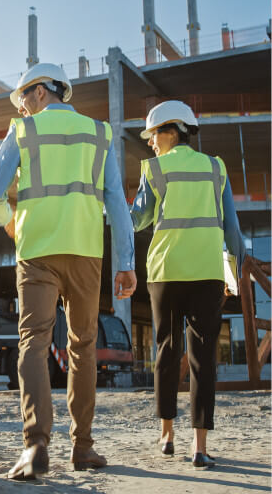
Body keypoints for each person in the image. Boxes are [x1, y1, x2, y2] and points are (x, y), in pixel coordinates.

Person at [0, 63, 137, 480]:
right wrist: (126, 263)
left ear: (38, 93)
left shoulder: (23, 131)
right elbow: (117, 204)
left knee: (33, 344)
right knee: (83, 348)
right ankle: (83, 447)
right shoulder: (100, 133)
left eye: (22, 100)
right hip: (87, 252)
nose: (23, 109)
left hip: (36, 251)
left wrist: (11, 223)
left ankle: (35, 445)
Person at [130, 100, 246, 468]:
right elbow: (233, 230)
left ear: (172, 131)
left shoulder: (154, 170)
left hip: (165, 272)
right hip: (207, 273)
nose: (150, 142)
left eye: (153, 135)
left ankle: (166, 436)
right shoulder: (216, 168)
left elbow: (137, 221)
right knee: (203, 359)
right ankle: (200, 447)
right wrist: (234, 274)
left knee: (165, 349)